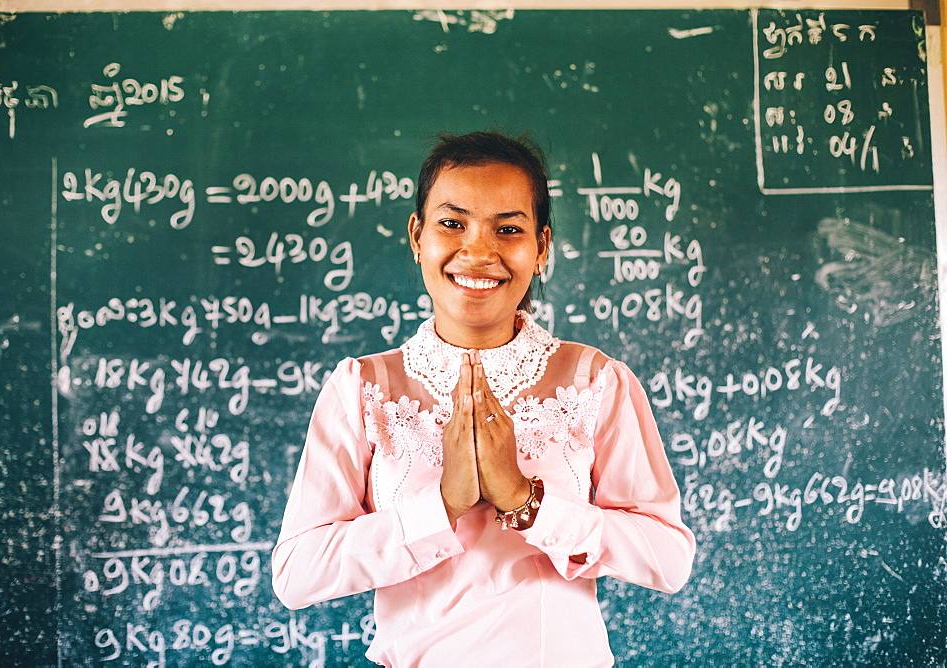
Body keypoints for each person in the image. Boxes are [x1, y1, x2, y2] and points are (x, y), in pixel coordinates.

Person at [272, 131, 696, 667]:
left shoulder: (595, 381)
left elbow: (669, 556)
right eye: (452, 223)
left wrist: (526, 501)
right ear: (417, 236)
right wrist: (442, 505)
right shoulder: (362, 388)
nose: (477, 251)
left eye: (509, 229)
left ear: (540, 248)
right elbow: (297, 573)